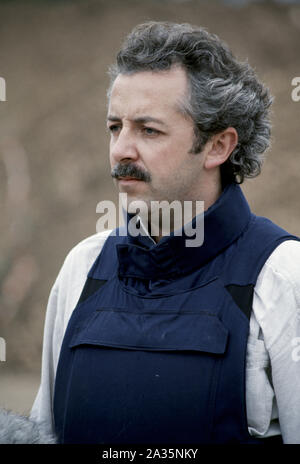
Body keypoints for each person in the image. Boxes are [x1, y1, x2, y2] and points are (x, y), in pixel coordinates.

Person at [30, 21, 300, 444]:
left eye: (148, 130)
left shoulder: (283, 277)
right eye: (115, 127)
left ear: (218, 146)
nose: (120, 149)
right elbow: (43, 433)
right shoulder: (83, 266)